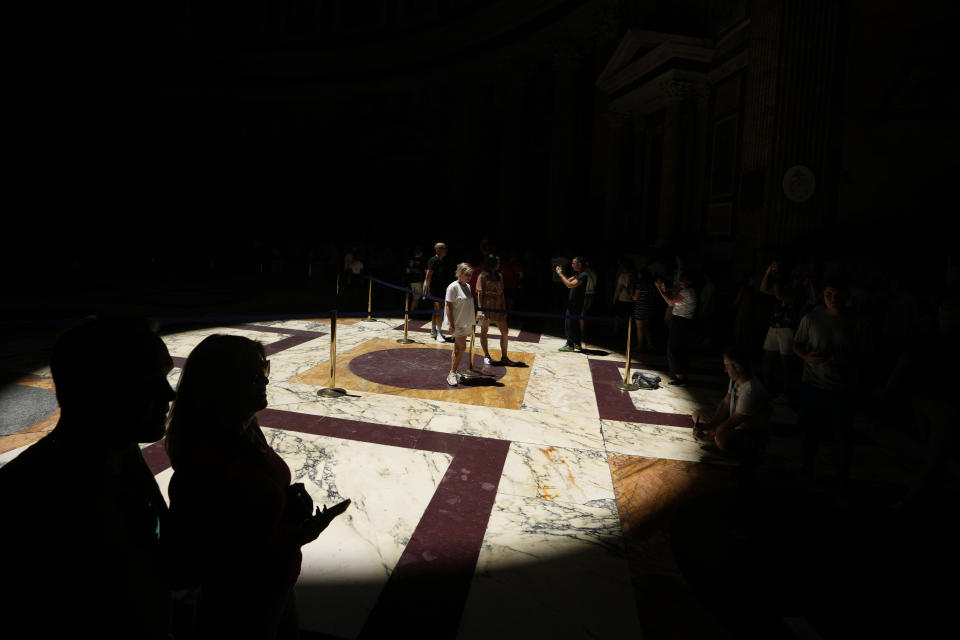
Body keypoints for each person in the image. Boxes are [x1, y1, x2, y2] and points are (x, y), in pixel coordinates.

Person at [0, 316, 176, 639]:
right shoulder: (29, 497)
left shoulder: (122, 454)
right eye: (150, 381)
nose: (169, 394)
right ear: (103, 390)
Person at [164, 335, 350, 639]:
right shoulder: (206, 461)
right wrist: (297, 536)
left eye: (263, 370)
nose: (265, 381)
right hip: (241, 600)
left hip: (278, 580)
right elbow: (217, 557)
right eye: (253, 376)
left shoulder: (248, 429)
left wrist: (287, 510)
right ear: (223, 387)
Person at [793, 278, 861, 487]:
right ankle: (807, 470)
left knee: (842, 437)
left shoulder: (856, 322)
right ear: (822, 295)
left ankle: (841, 479)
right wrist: (807, 358)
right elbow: (797, 343)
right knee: (809, 433)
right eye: (828, 294)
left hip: (842, 388)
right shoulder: (812, 318)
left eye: (837, 295)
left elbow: (864, 353)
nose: (833, 299)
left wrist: (843, 365)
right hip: (813, 384)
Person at [693, 346, 771, 467]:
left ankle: (750, 454)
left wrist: (707, 437)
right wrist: (710, 425)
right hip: (733, 423)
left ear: (737, 367)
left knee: (721, 439)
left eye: (727, 366)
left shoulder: (750, 390)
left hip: (749, 433)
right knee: (697, 414)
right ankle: (716, 436)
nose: (725, 370)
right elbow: (725, 403)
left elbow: (733, 421)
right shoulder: (736, 379)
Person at [759, 260, 803, 397]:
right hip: (774, 326)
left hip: (787, 328)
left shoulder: (800, 292)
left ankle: (786, 388)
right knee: (767, 357)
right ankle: (766, 385)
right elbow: (763, 289)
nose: (795, 280)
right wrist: (767, 273)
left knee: (786, 362)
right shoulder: (784, 287)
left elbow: (778, 295)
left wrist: (776, 277)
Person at [656, 272, 697, 386]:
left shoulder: (686, 292)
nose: (681, 282)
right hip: (685, 322)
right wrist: (666, 288)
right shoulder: (691, 291)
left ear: (689, 282)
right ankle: (682, 376)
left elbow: (670, 302)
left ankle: (679, 377)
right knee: (681, 349)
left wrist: (660, 290)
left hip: (680, 321)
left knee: (673, 349)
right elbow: (678, 289)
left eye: (684, 280)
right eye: (681, 280)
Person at [476, 255, 518, 366]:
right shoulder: (482, 276)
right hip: (486, 306)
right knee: (484, 331)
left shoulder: (499, 275)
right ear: (492, 264)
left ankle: (504, 357)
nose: (499, 264)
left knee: (505, 331)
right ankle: (486, 355)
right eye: (497, 263)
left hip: (498, 307)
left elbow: (502, 293)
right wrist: (480, 310)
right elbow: (479, 294)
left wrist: (504, 309)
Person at [445, 263, 477, 385]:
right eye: (466, 275)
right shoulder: (453, 287)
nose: (469, 277)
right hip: (457, 322)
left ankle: (454, 370)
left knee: (457, 348)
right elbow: (448, 306)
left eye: (470, 275)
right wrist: (451, 324)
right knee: (462, 347)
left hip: (466, 321)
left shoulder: (467, 286)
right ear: (460, 274)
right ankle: (451, 373)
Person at [556, 256, 589, 352]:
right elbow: (568, 281)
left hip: (576, 303)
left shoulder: (583, 275)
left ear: (579, 264)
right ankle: (577, 343)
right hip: (573, 303)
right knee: (575, 323)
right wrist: (561, 274)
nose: (572, 265)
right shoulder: (578, 274)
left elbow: (569, 285)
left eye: (573, 263)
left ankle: (570, 344)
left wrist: (560, 274)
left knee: (569, 323)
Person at [425, 242, 452, 343]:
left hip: (441, 290)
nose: (446, 250)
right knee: (439, 310)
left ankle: (433, 331)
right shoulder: (433, 261)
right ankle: (439, 332)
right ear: (438, 250)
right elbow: (428, 276)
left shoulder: (442, 261)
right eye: (444, 248)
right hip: (434, 290)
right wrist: (428, 289)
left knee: (436, 310)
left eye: (445, 248)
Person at [631, 267, 657, 353]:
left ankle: (639, 346)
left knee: (640, 328)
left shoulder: (640, 284)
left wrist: (631, 294)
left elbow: (635, 298)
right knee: (647, 327)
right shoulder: (652, 284)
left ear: (641, 275)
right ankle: (650, 345)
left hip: (641, 308)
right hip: (650, 308)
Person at [405, 245, 426, 311]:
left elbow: (407, 270)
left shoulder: (410, 259)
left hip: (410, 281)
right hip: (417, 281)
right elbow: (425, 271)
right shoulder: (421, 260)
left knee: (415, 296)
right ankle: (411, 312)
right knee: (416, 297)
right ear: (421, 253)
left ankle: (415, 311)